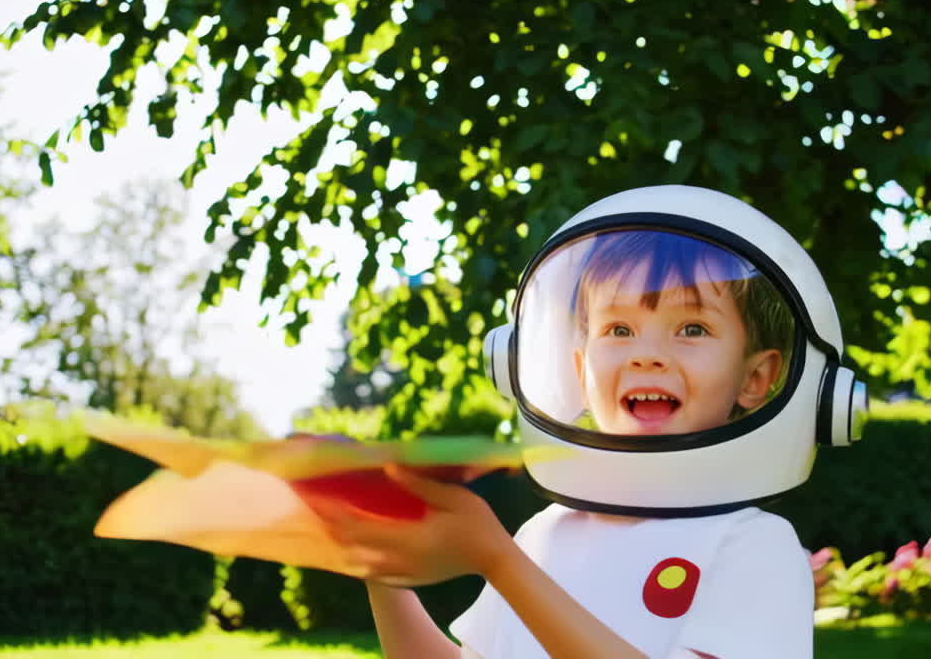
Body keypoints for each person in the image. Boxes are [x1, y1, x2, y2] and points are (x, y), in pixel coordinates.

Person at [310, 185, 867, 658]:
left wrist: (499, 562)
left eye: (691, 329)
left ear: (757, 377)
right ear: (578, 368)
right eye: (618, 331)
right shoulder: (543, 535)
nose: (645, 356)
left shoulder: (754, 546)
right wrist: (379, 568)